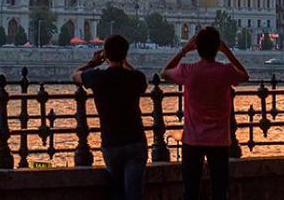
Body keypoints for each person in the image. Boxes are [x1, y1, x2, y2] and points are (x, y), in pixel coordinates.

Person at [163, 27, 249, 200]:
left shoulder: (189, 71)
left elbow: (164, 72)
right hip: (219, 140)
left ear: (197, 47)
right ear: (217, 47)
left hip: (193, 139)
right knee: (219, 190)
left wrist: (184, 50)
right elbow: (245, 75)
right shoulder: (225, 71)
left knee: (191, 190)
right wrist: (227, 52)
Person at [74, 34, 148, 200]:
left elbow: (76, 75)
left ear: (106, 55)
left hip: (111, 143)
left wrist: (92, 63)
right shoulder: (135, 78)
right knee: (134, 193)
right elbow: (141, 80)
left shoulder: (97, 77)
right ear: (125, 54)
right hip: (135, 140)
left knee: (117, 191)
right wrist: (125, 62)